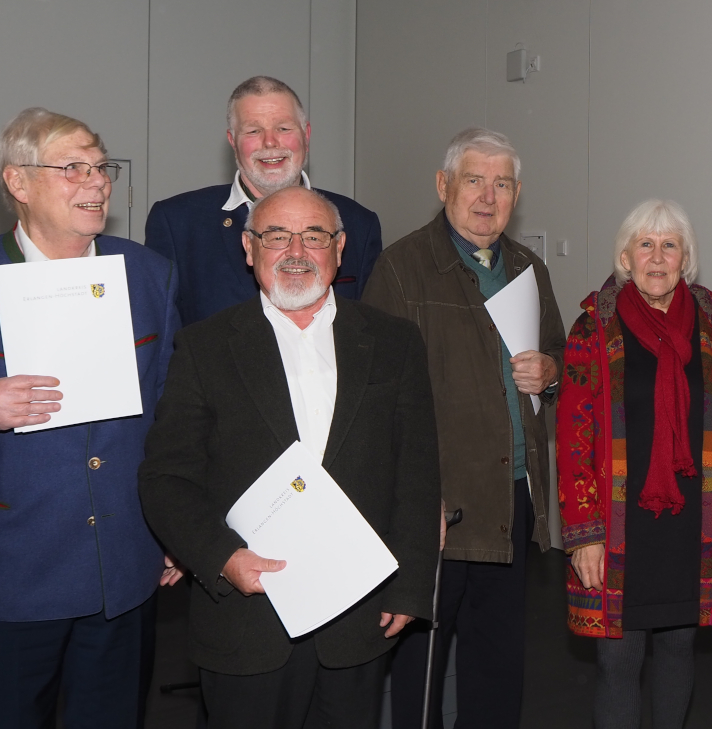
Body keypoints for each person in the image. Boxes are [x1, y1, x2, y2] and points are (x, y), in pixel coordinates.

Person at [138, 186, 439, 729]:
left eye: (314, 236)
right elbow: (166, 478)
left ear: (340, 248)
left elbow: (416, 474)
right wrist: (224, 558)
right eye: (277, 236)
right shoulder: (205, 348)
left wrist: (411, 585)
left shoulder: (395, 342)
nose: (296, 251)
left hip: (359, 615)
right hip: (246, 619)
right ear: (249, 249)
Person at [363, 127, 565, 729]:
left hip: (511, 500)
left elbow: (557, 349)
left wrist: (551, 369)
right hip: (439, 509)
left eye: (501, 183)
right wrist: (410, 499)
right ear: (443, 184)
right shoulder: (401, 269)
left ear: (517, 192)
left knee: (497, 664)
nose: (487, 195)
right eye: (473, 179)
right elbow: (375, 399)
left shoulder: (529, 268)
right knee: (421, 667)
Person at [0, 108, 181, 729]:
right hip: (16, 571)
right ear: (17, 183)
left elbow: (169, 414)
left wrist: (170, 528)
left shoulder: (148, 274)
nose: (97, 182)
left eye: (102, 167)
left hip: (124, 565)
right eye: (73, 168)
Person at [557, 199, 712, 728]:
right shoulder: (593, 324)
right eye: (646, 244)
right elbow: (573, 434)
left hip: (694, 522)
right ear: (625, 256)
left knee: (679, 649)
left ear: (686, 258)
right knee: (618, 659)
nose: (657, 257)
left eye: (670, 245)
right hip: (619, 525)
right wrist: (584, 533)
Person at [146, 75, 382, 326]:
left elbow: (369, 329)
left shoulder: (358, 224)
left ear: (306, 135)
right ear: (233, 142)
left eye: (283, 128)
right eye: (253, 130)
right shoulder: (177, 223)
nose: (270, 142)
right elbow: (160, 334)